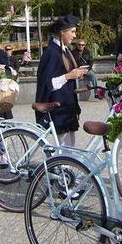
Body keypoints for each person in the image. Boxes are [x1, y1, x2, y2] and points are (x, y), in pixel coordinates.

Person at [35, 15, 88, 147]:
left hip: (67, 104)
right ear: (62, 32)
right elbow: (46, 84)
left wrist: (77, 74)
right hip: (58, 105)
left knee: (70, 142)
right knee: (63, 145)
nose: (75, 36)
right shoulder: (51, 53)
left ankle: (66, 166)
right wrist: (69, 76)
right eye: (73, 31)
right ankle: (60, 166)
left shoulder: (64, 51)